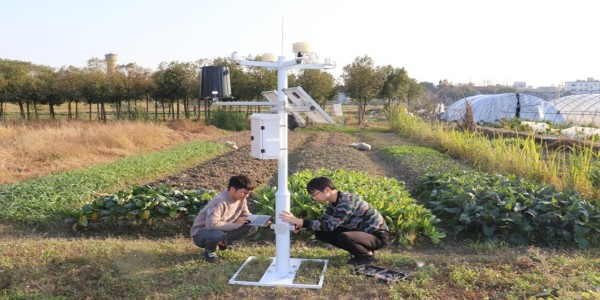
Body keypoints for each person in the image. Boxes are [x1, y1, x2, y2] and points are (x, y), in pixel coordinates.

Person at [279, 176, 389, 266]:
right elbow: (325, 221)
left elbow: (328, 226)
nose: (314, 199)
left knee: (344, 237)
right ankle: (361, 251)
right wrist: (302, 224)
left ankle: (367, 256)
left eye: (314, 195)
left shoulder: (346, 202)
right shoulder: (334, 201)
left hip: (377, 236)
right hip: (362, 233)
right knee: (321, 233)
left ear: (327, 190)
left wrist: (300, 221)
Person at [190, 175, 259, 262]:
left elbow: (246, 214)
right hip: (202, 233)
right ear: (232, 189)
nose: (247, 196)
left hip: (222, 228)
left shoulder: (241, 199)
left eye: (248, 193)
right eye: (245, 193)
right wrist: (235, 225)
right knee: (217, 234)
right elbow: (211, 225)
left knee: (252, 226)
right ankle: (210, 251)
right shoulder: (219, 202)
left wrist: (260, 220)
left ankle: (224, 243)